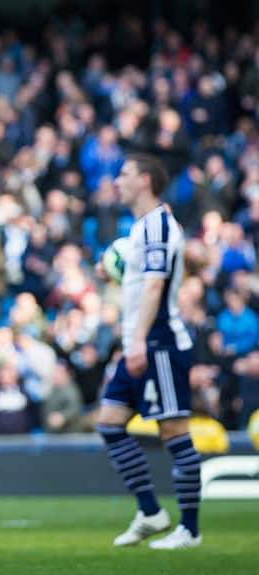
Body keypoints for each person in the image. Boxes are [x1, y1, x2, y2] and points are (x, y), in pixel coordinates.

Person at [96, 153, 201, 549]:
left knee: (173, 432)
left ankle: (189, 528)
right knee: (109, 422)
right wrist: (113, 272)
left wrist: (137, 342)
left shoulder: (158, 224)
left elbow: (156, 285)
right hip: (139, 342)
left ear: (144, 180)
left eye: (123, 173)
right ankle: (151, 511)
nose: (117, 180)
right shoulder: (141, 228)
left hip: (159, 342)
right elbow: (140, 277)